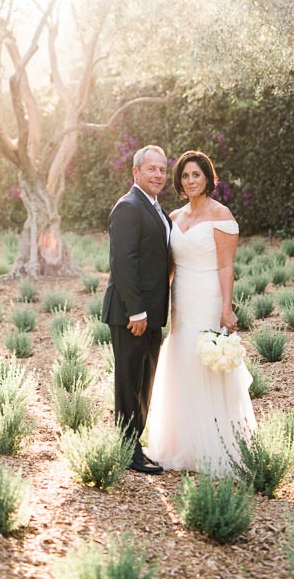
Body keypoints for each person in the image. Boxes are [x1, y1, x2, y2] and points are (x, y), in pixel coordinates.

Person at [147, 149, 256, 474]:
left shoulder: (221, 214)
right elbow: (168, 266)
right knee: (181, 359)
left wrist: (227, 307)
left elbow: (226, 266)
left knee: (205, 362)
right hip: (181, 297)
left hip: (209, 296)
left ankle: (216, 446)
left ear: (207, 178)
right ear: (179, 182)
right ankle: (181, 445)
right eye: (185, 175)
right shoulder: (175, 217)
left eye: (196, 174)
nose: (190, 180)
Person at [101, 144, 171, 474]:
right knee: (129, 384)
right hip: (132, 314)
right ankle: (128, 451)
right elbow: (123, 263)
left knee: (145, 382)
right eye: (151, 169)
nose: (158, 174)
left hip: (151, 313)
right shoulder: (128, 207)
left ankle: (135, 445)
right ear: (136, 172)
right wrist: (137, 312)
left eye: (162, 170)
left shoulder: (156, 208)